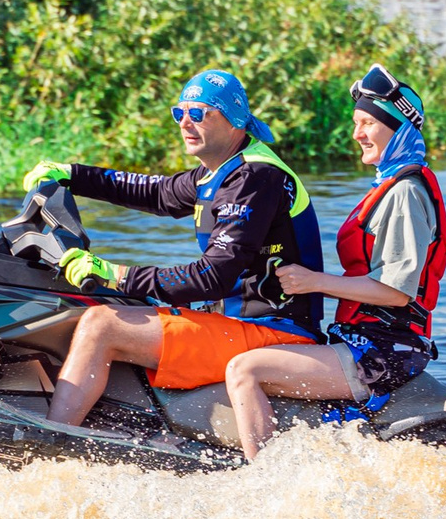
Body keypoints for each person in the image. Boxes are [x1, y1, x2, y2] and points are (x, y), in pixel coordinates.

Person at [22, 70, 325, 430]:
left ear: (235, 120)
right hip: (237, 323)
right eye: (178, 113)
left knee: (100, 324)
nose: (185, 123)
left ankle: (53, 439)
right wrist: (69, 173)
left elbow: (212, 277)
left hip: (272, 331)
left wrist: (115, 274)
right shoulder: (218, 171)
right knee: (111, 305)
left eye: (198, 114)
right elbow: (156, 192)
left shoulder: (254, 177)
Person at [225, 63, 446, 458]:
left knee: (245, 370)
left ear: (397, 127)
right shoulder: (391, 182)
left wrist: (313, 281)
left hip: (383, 350)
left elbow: (396, 293)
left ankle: (261, 482)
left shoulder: (404, 194)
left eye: (367, 123)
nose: (357, 134)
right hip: (368, 341)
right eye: (355, 123)